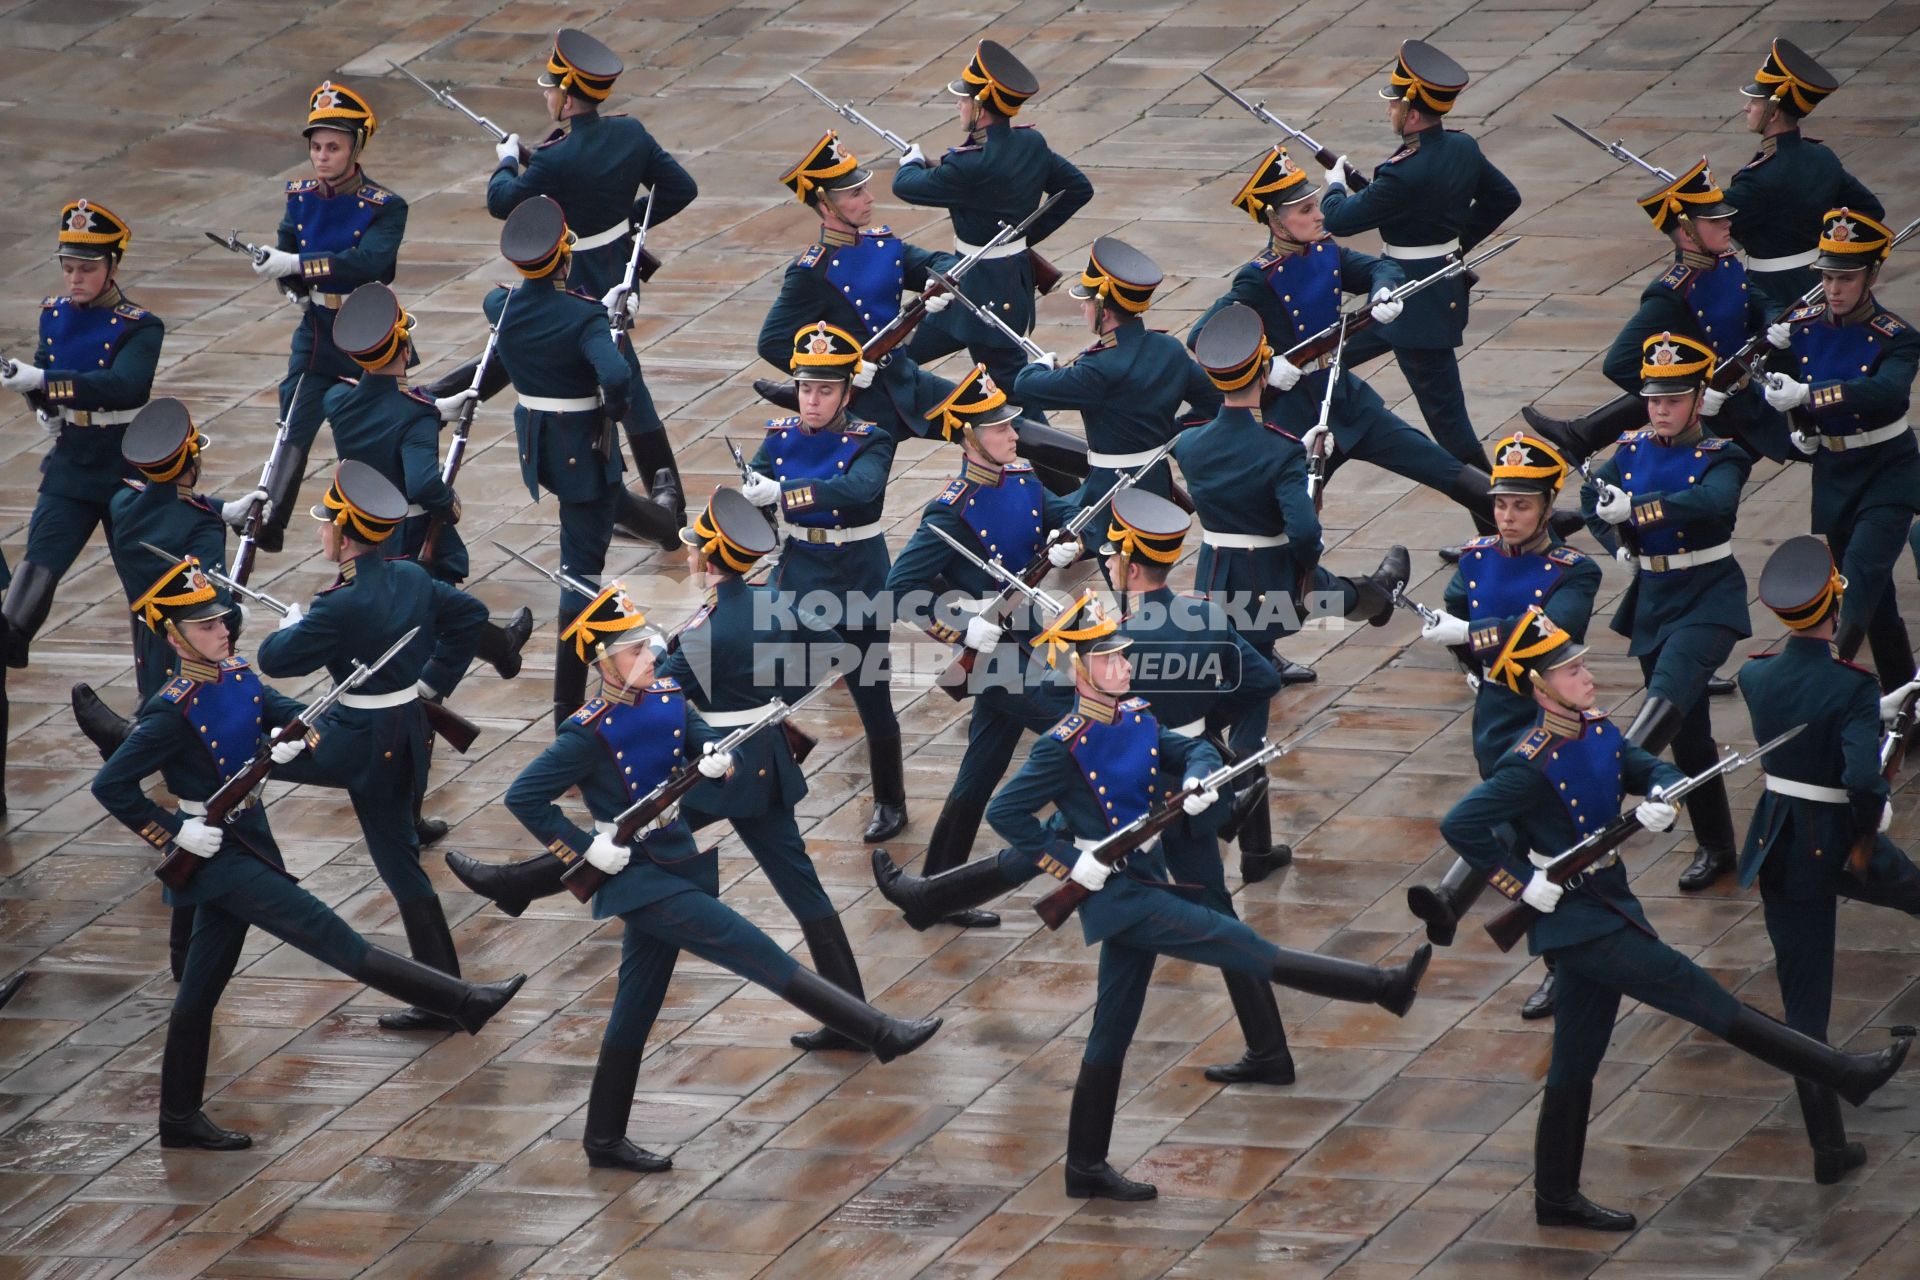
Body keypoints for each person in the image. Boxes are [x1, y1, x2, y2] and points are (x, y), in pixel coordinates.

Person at [1440, 606, 1912, 1231]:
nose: (1586, 675)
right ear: (1539, 687)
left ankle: (1555, 1197)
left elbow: (1648, 765)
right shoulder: (1529, 761)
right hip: (1581, 924)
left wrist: (1664, 789)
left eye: (1581, 663)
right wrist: (1522, 883)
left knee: (1575, 1061)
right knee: (1708, 1000)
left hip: (1609, 906)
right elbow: (1460, 825)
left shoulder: (1597, 730)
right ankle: (1843, 1073)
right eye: (1570, 670)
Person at [446, 581, 939, 1171]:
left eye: (646, 647)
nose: (649, 658)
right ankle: (879, 1032)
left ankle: (603, 1138)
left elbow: (696, 733)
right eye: (633, 653)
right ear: (603, 663)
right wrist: (584, 849)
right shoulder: (587, 731)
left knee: (637, 1003)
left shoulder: (666, 695)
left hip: (676, 855)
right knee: (755, 951)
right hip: (639, 880)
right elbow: (524, 797)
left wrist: (716, 758)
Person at [987, 595, 1432, 1200]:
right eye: (1110, 660)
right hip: (1118, 895)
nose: (1124, 667)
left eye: (1122, 656)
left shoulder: (1136, 714)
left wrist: (1197, 777)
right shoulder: (1063, 744)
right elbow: (1006, 812)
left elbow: (1183, 748)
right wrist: (1072, 862)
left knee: (1112, 1029)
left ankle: (1084, 1168)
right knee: (1239, 942)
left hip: (1142, 874)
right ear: (1078, 670)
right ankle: (1381, 987)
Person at [91, 556, 525, 1150]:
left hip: (249, 840)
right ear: (172, 637)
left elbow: (282, 708)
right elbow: (111, 786)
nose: (223, 632)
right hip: (216, 856)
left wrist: (296, 737)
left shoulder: (235, 673)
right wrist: (173, 833)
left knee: (199, 992)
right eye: (206, 627)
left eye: (223, 621)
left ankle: (177, 1118)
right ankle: (464, 1001)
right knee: (339, 941)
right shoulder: (173, 709)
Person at [256, 462, 487, 1031]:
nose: (320, 533)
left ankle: (142, 745)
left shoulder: (339, 604)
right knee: (400, 864)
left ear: (344, 531)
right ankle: (446, 997)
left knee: (238, 755)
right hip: (407, 727)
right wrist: (430, 681)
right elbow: (472, 617)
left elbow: (273, 661)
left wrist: (295, 624)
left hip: (357, 742)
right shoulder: (410, 578)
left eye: (325, 524)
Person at [1191, 145, 1513, 542]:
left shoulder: (1327, 252)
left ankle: (1533, 528)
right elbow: (1204, 335)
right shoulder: (1257, 278)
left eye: (1315, 205)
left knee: (1439, 467)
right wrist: (1266, 365)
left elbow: (1382, 266)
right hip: (1295, 419)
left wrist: (1382, 292)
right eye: (1305, 210)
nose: (1319, 215)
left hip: (1345, 400)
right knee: (1289, 525)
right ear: (1276, 221)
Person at [656, 489, 877, 1055]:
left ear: (707, 559)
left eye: (692, 549)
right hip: (766, 756)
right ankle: (852, 1014)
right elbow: (834, 651)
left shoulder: (707, 629)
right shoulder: (773, 601)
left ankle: (541, 875)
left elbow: (661, 694)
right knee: (802, 888)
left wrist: (653, 654)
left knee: (637, 837)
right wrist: (781, 698)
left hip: (719, 766)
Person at [1738, 536, 1920, 1184]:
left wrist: (1867, 713)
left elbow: (1802, 718)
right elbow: (1860, 779)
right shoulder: (1851, 683)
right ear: (1833, 603)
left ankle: (1828, 1147)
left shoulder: (1755, 673)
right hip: (1840, 834)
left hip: (1779, 839)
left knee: (1804, 1005)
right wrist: (1868, 831)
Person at [873, 367, 1078, 929]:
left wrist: (1069, 540)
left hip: (1035, 642)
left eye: (1011, 426)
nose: (1013, 435)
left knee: (980, 770)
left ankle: (934, 893)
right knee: (1084, 734)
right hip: (994, 658)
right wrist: (960, 631)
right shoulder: (950, 509)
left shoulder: (1024, 480)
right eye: (999, 429)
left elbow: (1064, 517)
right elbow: (898, 591)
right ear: (969, 438)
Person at [1405, 432, 1600, 1019]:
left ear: (1547, 506)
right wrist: (1463, 651)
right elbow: (1454, 610)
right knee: (1525, 834)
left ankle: (1563, 966)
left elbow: (1550, 635)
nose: (1508, 516)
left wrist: (1471, 636)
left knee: (1549, 838)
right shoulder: (1477, 556)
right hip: (1494, 714)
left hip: (1548, 716)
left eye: (1521, 505)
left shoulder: (1575, 570)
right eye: (1500, 504)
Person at [1101, 489, 1292, 1081]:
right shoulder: (1203, 614)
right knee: (1205, 908)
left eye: (1112, 556)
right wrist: (1207, 724)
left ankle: (1270, 1051)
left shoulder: (1113, 638)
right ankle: (1268, 1048)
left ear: (1132, 564)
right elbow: (1261, 681)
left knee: (1202, 911)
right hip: (1194, 771)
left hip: (1142, 789)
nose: (1107, 564)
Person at [487, 27, 697, 524]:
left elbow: (501, 203)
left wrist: (508, 162)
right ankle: (662, 499)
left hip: (573, 273)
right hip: (617, 267)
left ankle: (665, 510)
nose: (545, 94)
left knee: (611, 372)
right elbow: (680, 189)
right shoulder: (629, 133)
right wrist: (628, 224)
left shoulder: (555, 159)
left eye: (549, 87)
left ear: (566, 93)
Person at [1581, 333, 1751, 891]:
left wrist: (1641, 511)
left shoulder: (1722, 454)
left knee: (1668, 695)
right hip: (1654, 599)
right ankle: (1718, 847)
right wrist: (1620, 544)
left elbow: (1714, 501)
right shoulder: (1632, 448)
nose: (1660, 409)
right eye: (1654, 399)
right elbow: (1592, 499)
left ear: (1699, 399)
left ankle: (1607, 784)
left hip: (1707, 596)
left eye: (1673, 399)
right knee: (1691, 734)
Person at [485, 196, 664, 725]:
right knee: (578, 581)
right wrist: (615, 407)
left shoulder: (501, 307)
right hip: (583, 456)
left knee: (616, 505)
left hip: (542, 448)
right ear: (565, 255)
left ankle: (670, 523)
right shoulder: (584, 318)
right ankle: (565, 709)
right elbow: (614, 375)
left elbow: (540, 316)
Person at [1174, 305, 1410, 699]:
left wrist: (1295, 457)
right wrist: (1296, 469)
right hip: (1266, 575)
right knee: (1320, 592)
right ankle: (1380, 596)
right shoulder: (1277, 449)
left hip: (1215, 572)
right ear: (1264, 375)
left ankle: (1374, 597)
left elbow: (1238, 471)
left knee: (1246, 635)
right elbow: (1302, 532)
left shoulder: (1189, 442)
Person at [1318, 40, 1521, 480]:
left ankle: (1503, 516)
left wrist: (1334, 183)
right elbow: (1504, 198)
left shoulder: (1404, 170)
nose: (1388, 111)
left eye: (1393, 104)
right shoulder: (1460, 147)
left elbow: (1338, 220)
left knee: (1451, 431)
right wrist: (1453, 244)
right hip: (1406, 291)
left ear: (1411, 111)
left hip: (1416, 306)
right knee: (1320, 360)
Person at [744, 321, 907, 843]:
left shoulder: (872, 439)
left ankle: (891, 801)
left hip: (858, 573)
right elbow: (758, 495)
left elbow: (856, 491)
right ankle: (770, 776)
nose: (812, 401)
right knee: (766, 682)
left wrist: (782, 492)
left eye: (825, 390)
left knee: (871, 695)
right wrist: (750, 505)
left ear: (846, 391)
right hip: (801, 574)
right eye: (806, 388)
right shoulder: (779, 437)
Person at [324, 282, 532, 679]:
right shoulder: (414, 415)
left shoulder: (338, 400)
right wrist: (448, 504)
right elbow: (422, 484)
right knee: (439, 610)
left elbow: (382, 411)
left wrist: (432, 409)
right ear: (404, 349)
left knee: (435, 607)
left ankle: (503, 649)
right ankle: (448, 680)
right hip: (409, 528)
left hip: (361, 524)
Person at [1524, 158, 1790, 464]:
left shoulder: (1725, 260)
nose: (1728, 223)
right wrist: (1691, 400)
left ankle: (1583, 434)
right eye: (1715, 220)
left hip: (1753, 399)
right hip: (1718, 421)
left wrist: (1774, 323)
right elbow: (1619, 363)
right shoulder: (1671, 292)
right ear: (1688, 234)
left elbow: (1760, 302)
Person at [246, 81, 406, 555]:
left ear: (356, 148)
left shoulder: (386, 206)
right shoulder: (299, 197)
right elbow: (287, 248)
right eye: (316, 147)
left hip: (369, 338)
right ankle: (269, 519)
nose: (321, 156)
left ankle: (379, 534)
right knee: (293, 420)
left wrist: (297, 266)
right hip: (317, 332)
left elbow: (367, 263)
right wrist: (281, 272)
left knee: (369, 443)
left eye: (333, 147)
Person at [1, 199, 162, 669]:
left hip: (127, 462)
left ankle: (155, 697)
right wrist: (42, 406)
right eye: (69, 268)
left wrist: (43, 383)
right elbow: (42, 369)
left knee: (146, 584)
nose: (75, 278)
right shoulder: (53, 314)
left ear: (112, 266)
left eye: (87, 268)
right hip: (72, 460)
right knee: (40, 559)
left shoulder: (141, 326)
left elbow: (125, 385)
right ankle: (10, 639)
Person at [1763, 208, 1919, 692]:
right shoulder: (1805, 328)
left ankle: (1825, 683)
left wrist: (1808, 397)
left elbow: (1886, 393)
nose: (1834, 289)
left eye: (1845, 278)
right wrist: (1798, 420)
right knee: (1879, 601)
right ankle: (1903, 694)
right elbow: (1783, 382)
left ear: (1870, 275)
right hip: (1833, 473)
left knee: (1858, 578)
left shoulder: (1897, 337)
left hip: (1888, 470)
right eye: (1828, 277)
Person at [893, 38, 1093, 406]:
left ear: (981, 106)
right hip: (978, 283)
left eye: (964, 98)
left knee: (1016, 395)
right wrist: (1022, 238)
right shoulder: (1030, 142)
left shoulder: (969, 164)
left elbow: (905, 187)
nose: (959, 103)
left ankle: (1055, 461)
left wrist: (911, 160)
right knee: (891, 353)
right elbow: (1077, 188)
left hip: (986, 295)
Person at [752, 131, 959, 441]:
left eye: (864, 188)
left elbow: (942, 261)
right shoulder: (811, 270)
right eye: (856, 193)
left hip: (907, 384)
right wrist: (837, 375)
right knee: (865, 487)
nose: (869, 198)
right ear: (825, 204)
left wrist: (936, 283)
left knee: (990, 421)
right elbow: (772, 342)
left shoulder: (883, 246)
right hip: (861, 402)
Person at [1013, 237, 1221, 516]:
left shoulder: (1098, 369)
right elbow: (1214, 401)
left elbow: (1025, 387)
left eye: (1087, 303)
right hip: (1156, 479)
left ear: (1104, 311)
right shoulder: (1168, 348)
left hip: (1110, 490)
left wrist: (1040, 364)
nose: (1082, 309)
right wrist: (1166, 431)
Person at [1727, 38, 1882, 314]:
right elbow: (1871, 210)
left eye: (1754, 100)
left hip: (1770, 292)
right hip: (1819, 283)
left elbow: (1712, 228)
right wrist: (1838, 254)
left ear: (1773, 112)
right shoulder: (1822, 157)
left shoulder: (1759, 178)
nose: (1746, 107)